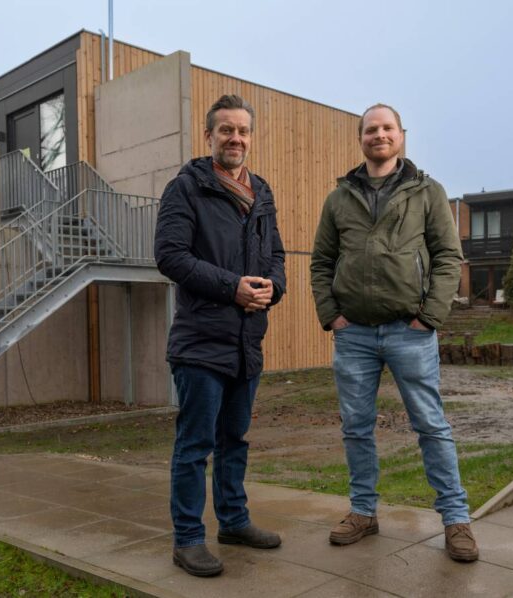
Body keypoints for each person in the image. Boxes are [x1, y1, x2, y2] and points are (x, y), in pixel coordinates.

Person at [310, 103, 478, 562]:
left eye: (387, 128)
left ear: (401, 135)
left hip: (411, 332)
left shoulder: (427, 192)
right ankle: (363, 512)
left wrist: (430, 317)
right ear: (360, 137)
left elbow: (448, 257)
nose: (378, 135)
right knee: (356, 428)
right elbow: (322, 261)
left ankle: (456, 520)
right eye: (370, 129)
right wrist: (332, 316)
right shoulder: (339, 198)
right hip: (355, 335)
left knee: (431, 425)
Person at [154, 94, 287, 577]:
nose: (236, 138)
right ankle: (188, 538)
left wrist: (274, 288)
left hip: (246, 342)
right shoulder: (185, 188)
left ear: (251, 138)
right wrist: (232, 288)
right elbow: (170, 256)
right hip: (200, 342)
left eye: (243, 131)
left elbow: (276, 255)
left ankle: (233, 521)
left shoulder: (262, 192)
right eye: (226, 130)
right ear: (208, 136)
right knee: (195, 445)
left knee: (235, 439)